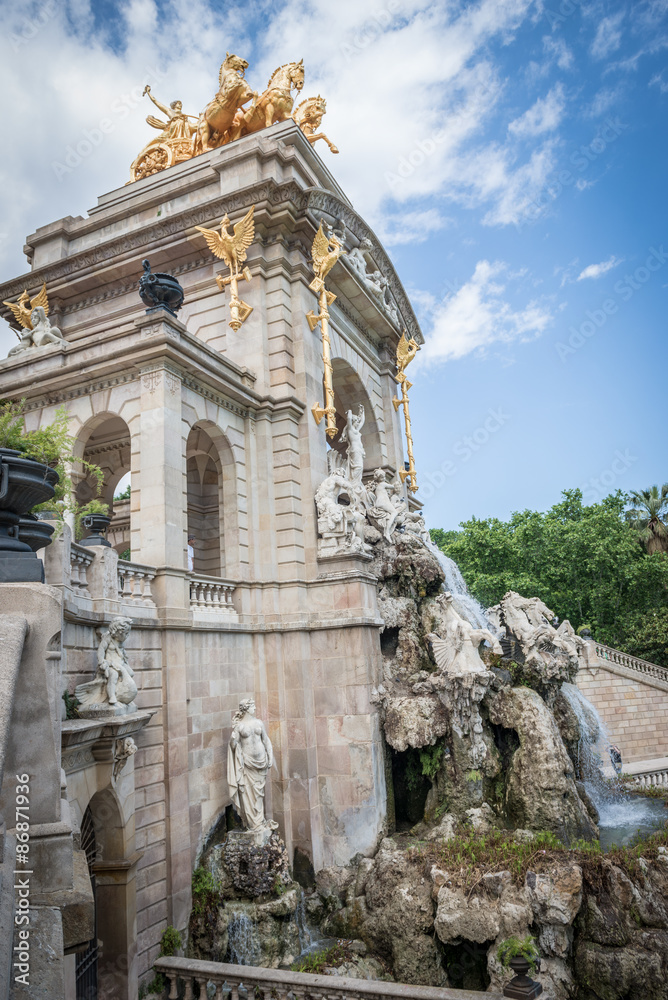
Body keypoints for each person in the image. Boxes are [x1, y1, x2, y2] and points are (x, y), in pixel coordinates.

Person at [227, 699, 278, 831]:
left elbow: (266, 740)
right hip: (248, 765)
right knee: (249, 794)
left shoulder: (259, 723)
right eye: (253, 706)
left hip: (261, 763)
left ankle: (259, 821)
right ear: (246, 708)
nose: (255, 709)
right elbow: (234, 747)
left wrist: (270, 756)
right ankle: (254, 824)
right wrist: (232, 740)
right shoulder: (239, 727)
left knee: (259, 794)